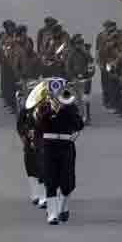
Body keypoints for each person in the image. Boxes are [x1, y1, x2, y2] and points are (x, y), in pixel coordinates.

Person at [36, 80, 84, 224]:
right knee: (50, 180)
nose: (57, 96)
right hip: (49, 146)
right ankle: (52, 214)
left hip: (66, 145)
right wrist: (51, 111)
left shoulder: (71, 108)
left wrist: (66, 110)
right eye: (53, 93)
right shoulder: (44, 108)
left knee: (67, 180)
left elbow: (79, 125)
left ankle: (63, 208)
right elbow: (40, 126)